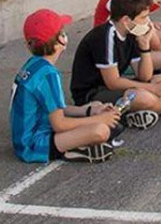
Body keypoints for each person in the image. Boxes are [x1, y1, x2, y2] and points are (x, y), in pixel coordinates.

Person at [71, 0, 161, 130]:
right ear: (126, 20)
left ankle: (136, 113)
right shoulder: (105, 37)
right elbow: (113, 82)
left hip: (113, 88)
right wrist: (155, 89)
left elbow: (144, 76)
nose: (147, 22)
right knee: (142, 97)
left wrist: (144, 47)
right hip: (93, 93)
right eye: (143, 18)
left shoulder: (131, 33)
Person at [10, 9, 121, 163]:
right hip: (33, 145)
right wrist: (101, 119)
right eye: (62, 32)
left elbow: (55, 108)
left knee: (95, 106)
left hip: (25, 139)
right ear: (60, 40)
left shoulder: (34, 65)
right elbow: (60, 124)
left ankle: (77, 144)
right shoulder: (48, 74)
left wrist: (89, 110)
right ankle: (70, 150)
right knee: (100, 131)